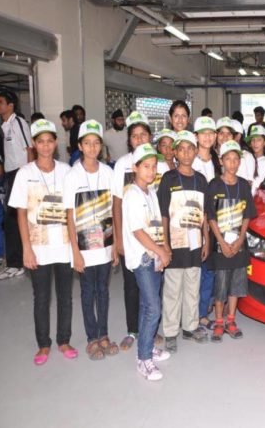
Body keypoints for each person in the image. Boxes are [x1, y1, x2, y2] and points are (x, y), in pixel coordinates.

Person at [9, 119, 77, 365]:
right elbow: (21, 214)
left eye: (50, 141)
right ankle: (43, 344)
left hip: (64, 245)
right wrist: (26, 249)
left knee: (65, 296)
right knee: (41, 297)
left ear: (55, 143)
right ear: (34, 145)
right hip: (38, 248)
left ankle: (63, 340)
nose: (46, 146)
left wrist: (76, 247)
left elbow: (72, 212)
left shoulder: (67, 170)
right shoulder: (25, 174)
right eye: (41, 142)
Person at [63, 120, 119, 359]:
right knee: (87, 292)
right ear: (80, 146)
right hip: (84, 250)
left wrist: (116, 243)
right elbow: (69, 216)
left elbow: (114, 209)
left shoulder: (108, 173)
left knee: (103, 291)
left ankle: (104, 334)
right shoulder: (72, 176)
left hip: (105, 246)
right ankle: (91, 338)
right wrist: (74, 252)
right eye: (87, 143)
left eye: (96, 143)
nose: (92, 147)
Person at [122, 143, 171, 380]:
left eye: (153, 167)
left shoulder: (150, 192)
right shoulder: (131, 194)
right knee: (153, 308)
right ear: (135, 168)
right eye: (146, 166)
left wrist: (161, 250)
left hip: (153, 255)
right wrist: (160, 253)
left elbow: (155, 226)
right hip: (142, 258)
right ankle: (143, 359)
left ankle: (147, 346)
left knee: (145, 305)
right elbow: (138, 232)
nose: (151, 171)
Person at [158, 131, 210, 352]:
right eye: (182, 149)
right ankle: (170, 332)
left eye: (191, 148)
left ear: (196, 151)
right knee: (172, 289)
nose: (186, 153)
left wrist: (206, 240)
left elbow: (206, 213)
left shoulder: (201, 179)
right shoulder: (168, 179)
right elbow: (163, 215)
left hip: (195, 243)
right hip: (175, 244)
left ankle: (190, 326)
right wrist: (164, 243)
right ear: (176, 152)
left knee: (192, 286)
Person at [112, 111, 159, 351]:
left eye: (143, 134)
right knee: (132, 285)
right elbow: (117, 203)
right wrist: (118, 238)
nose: (139, 139)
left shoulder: (154, 162)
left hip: (153, 236)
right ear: (129, 140)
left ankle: (149, 332)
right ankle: (133, 330)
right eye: (134, 136)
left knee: (151, 287)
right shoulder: (122, 164)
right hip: (132, 237)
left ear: (150, 136)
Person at [206, 140, 257, 342]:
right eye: (228, 159)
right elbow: (210, 217)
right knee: (220, 286)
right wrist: (221, 241)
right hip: (220, 247)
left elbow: (247, 216)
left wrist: (239, 241)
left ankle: (230, 319)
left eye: (236, 159)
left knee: (236, 285)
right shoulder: (214, 185)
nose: (233, 163)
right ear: (221, 161)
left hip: (239, 247)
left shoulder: (244, 185)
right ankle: (218, 321)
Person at [0, 90, 33, 280]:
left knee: (13, 219)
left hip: (21, 173)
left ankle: (16, 263)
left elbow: (29, 149)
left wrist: (28, 175)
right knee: (10, 220)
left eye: (1, 102)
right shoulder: (4, 126)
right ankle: (14, 262)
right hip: (10, 174)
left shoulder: (18, 122)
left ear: (10, 105)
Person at [191, 116, 220, 331]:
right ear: (196, 137)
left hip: (215, 223)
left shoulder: (217, 160)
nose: (208, 137)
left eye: (212, 133)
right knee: (194, 272)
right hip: (195, 224)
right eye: (204, 133)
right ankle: (192, 315)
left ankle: (202, 313)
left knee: (209, 271)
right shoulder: (190, 162)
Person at [216, 117, 255, 181]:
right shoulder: (211, 155)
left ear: (233, 136)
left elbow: (245, 184)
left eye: (229, 133)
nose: (225, 137)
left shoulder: (241, 158)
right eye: (221, 133)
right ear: (216, 135)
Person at [245, 125, 265, 195]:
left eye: (259, 140)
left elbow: (254, 187)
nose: (255, 143)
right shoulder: (248, 157)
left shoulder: (263, 164)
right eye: (253, 140)